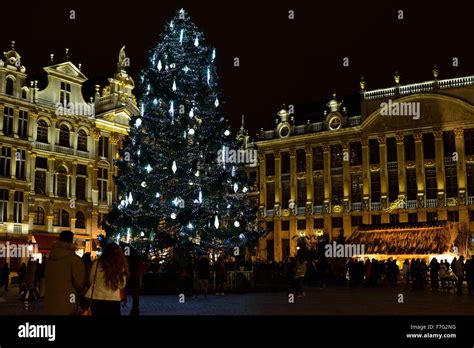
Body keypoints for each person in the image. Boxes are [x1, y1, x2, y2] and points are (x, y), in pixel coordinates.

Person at [43, 231, 86, 315]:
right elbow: (80, 284)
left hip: (50, 302)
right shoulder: (74, 260)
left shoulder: (50, 258)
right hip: (69, 299)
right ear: (71, 240)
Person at [85, 243, 128, 316]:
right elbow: (121, 285)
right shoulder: (120, 266)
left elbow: (92, 280)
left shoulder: (97, 263)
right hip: (113, 300)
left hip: (97, 298)